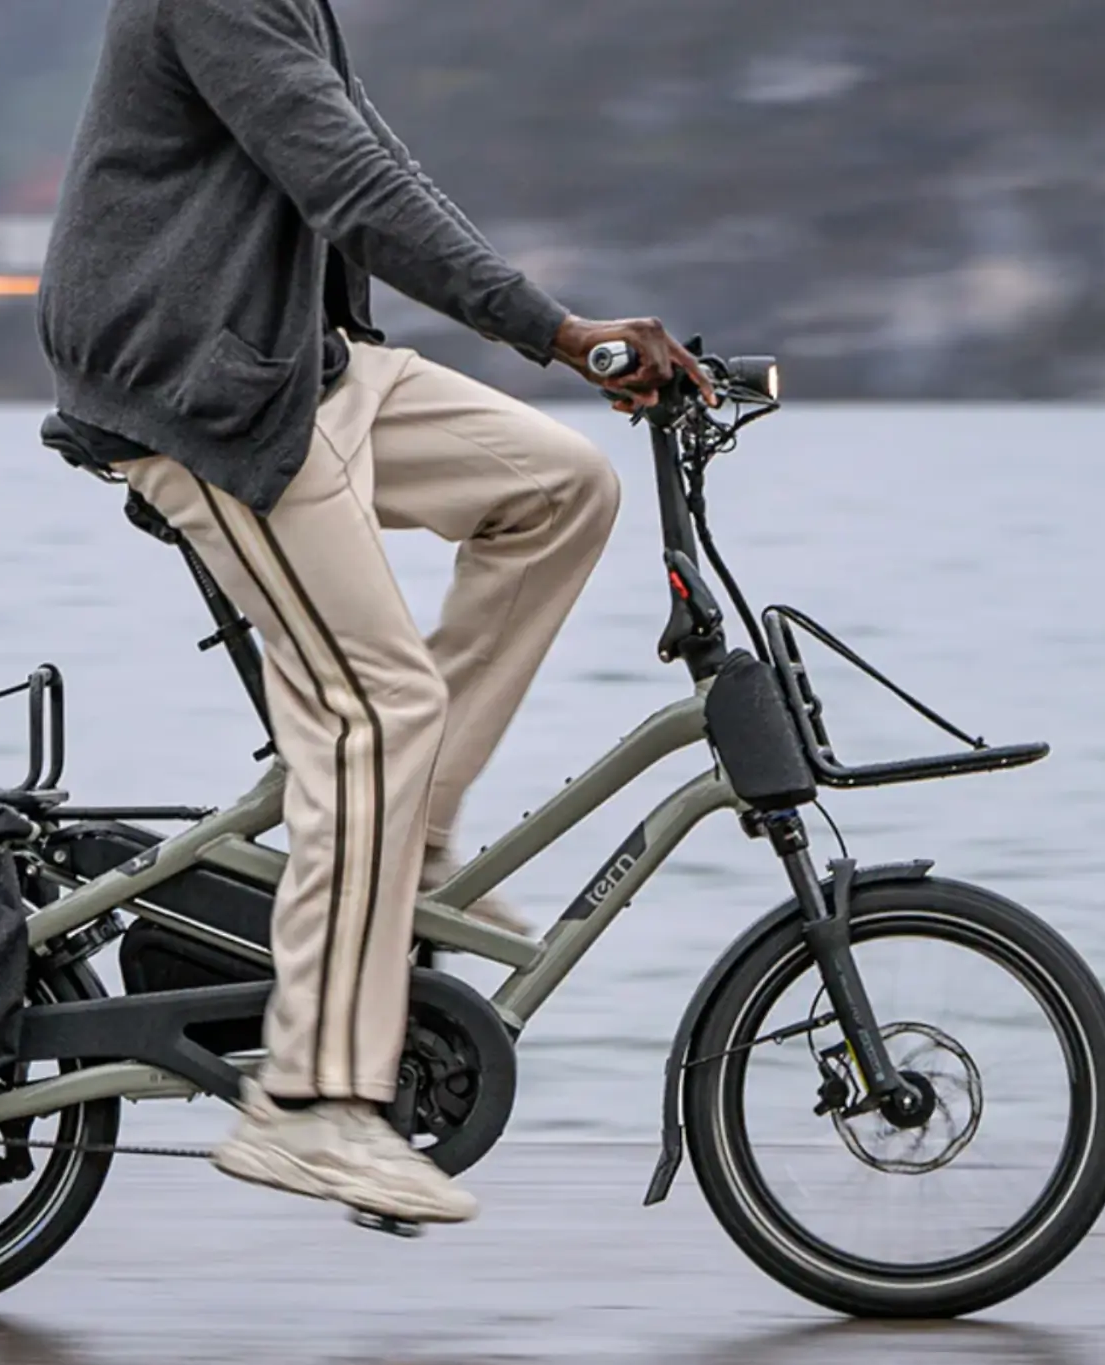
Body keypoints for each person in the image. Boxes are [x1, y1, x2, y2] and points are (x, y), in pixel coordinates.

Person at [37, 0, 714, 1226]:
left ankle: (411, 854)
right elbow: (345, 183)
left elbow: (378, 159)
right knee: (374, 713)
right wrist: (553, 334)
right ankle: (308, 1105)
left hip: (304, 362)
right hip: (198, 391)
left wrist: (580, 335)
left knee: (559, 486)